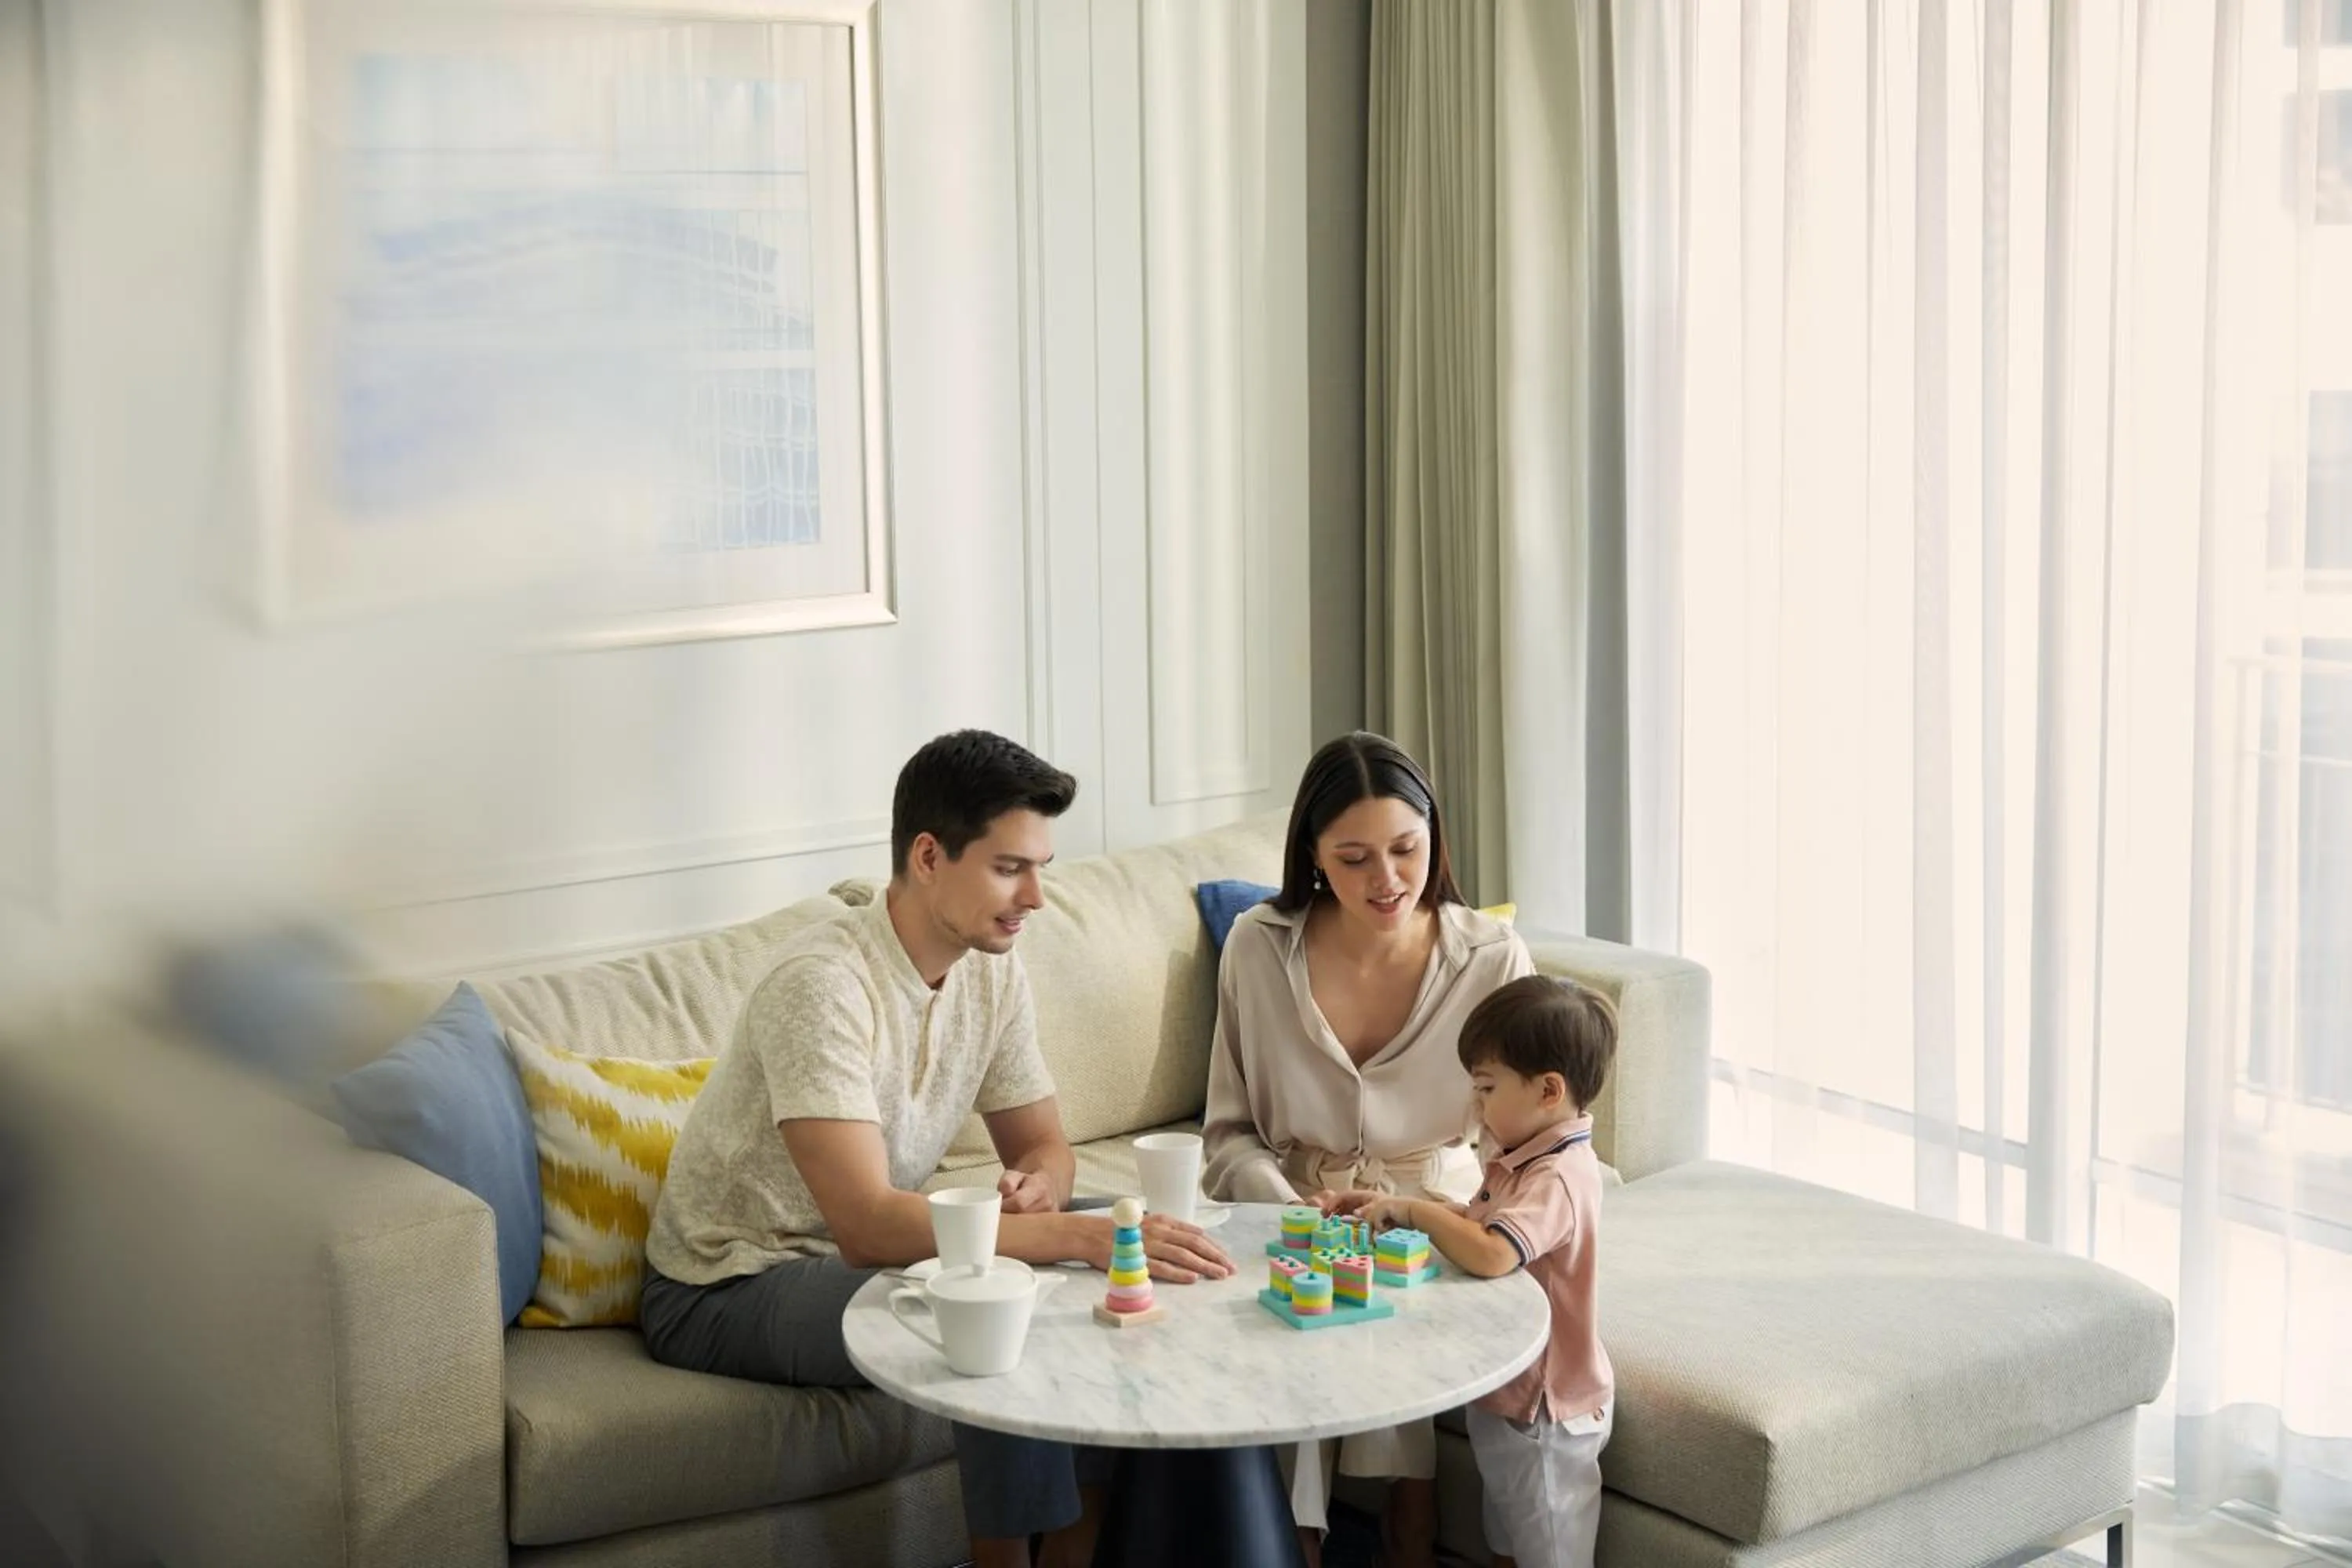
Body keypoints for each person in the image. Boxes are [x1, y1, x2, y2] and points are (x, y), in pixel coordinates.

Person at [641, 730, 1234, 1568]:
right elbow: (868, 1229)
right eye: (1008, 867)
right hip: (732, 1279)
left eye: (1042, 867)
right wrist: (1060, 1234)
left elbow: (1046, 1146)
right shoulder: (821, 984)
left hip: (867, 1255)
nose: (1035, 895)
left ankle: (1078, 1553)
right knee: (992, 1303)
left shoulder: (991, 968)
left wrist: (1044, 1187)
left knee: (1139, 1243)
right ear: (928, 855)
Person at [1201, 731, 1533, 1566]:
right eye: (1353, 858)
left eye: (1405, 850)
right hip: (1287, 1206)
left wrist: (1421, 1215)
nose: (1386, 879)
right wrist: (1288, 1207)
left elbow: (1521, 1145)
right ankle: (1304, 1541)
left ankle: (1405, 1527)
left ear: (1434, 838)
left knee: (1393, 1287)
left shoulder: (1491, 961)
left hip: (1440, 1205)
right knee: (1304, 1305)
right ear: (1312, 855)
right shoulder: (1257, 945)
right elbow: (1228, 1133)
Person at [1328, 975, 1617, 1568]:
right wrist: (1382, 1209)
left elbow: (1493, 1252)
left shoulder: (1560, 1176)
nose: (1476, 1106)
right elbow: (1484, 1224)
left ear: (1548, 1090)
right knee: (1506, 1544)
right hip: (1509, 1401)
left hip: (1546, 1412)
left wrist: (1415, 1209)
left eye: (1486, 1088)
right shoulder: (1525, 1160)